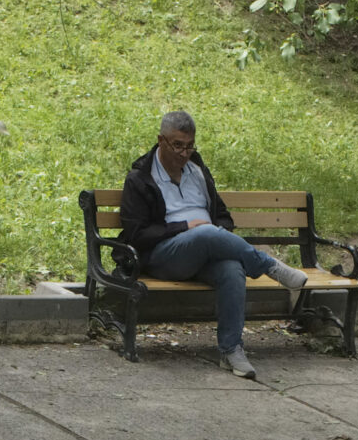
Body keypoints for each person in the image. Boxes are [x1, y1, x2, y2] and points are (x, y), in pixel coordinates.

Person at [116, 110, 308, 379]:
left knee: (231, 268)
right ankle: (270, 266)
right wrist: (186, 227)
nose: (184, 153)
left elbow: (223, 216)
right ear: (161, 140)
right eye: (178, 145)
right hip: (164, 256)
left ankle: (231, 350)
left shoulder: (197, 172)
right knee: (204, 232)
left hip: (205, 252)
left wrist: (220, 235)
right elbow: (137, 233)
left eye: (190, 145)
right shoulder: (140, 178)